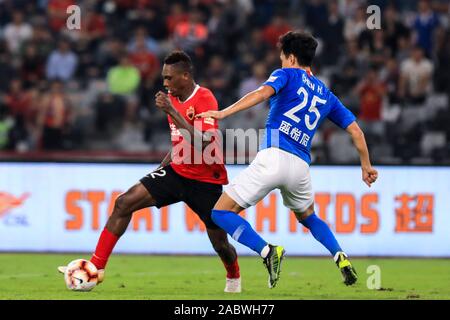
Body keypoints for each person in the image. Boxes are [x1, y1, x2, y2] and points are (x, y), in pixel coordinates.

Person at [197, 31, 378, 288]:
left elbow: (261, 94)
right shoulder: (327, 94)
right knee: (308, 216)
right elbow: (356, 131)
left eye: (282, 57)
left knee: (220, 212)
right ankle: (340, 256)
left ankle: (267, 251)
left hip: (273, 157)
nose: (281, 62)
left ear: (291, 58)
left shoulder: (286, 74)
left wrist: (224, 113)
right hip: (301, 166)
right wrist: (366, 166)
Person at [58, 51, 241, 293]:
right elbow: (179, 141)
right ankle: (96, 267)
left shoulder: (204, 98)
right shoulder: (171, 97)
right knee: (124, 202)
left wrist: (171, 112)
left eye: (169, 78)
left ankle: (233, 276)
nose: (165, 84)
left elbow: (204, 143)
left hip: (205, 181)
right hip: (177, 171)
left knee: (220, 243)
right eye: (163, 78)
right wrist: (162, 166)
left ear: (185, 76)